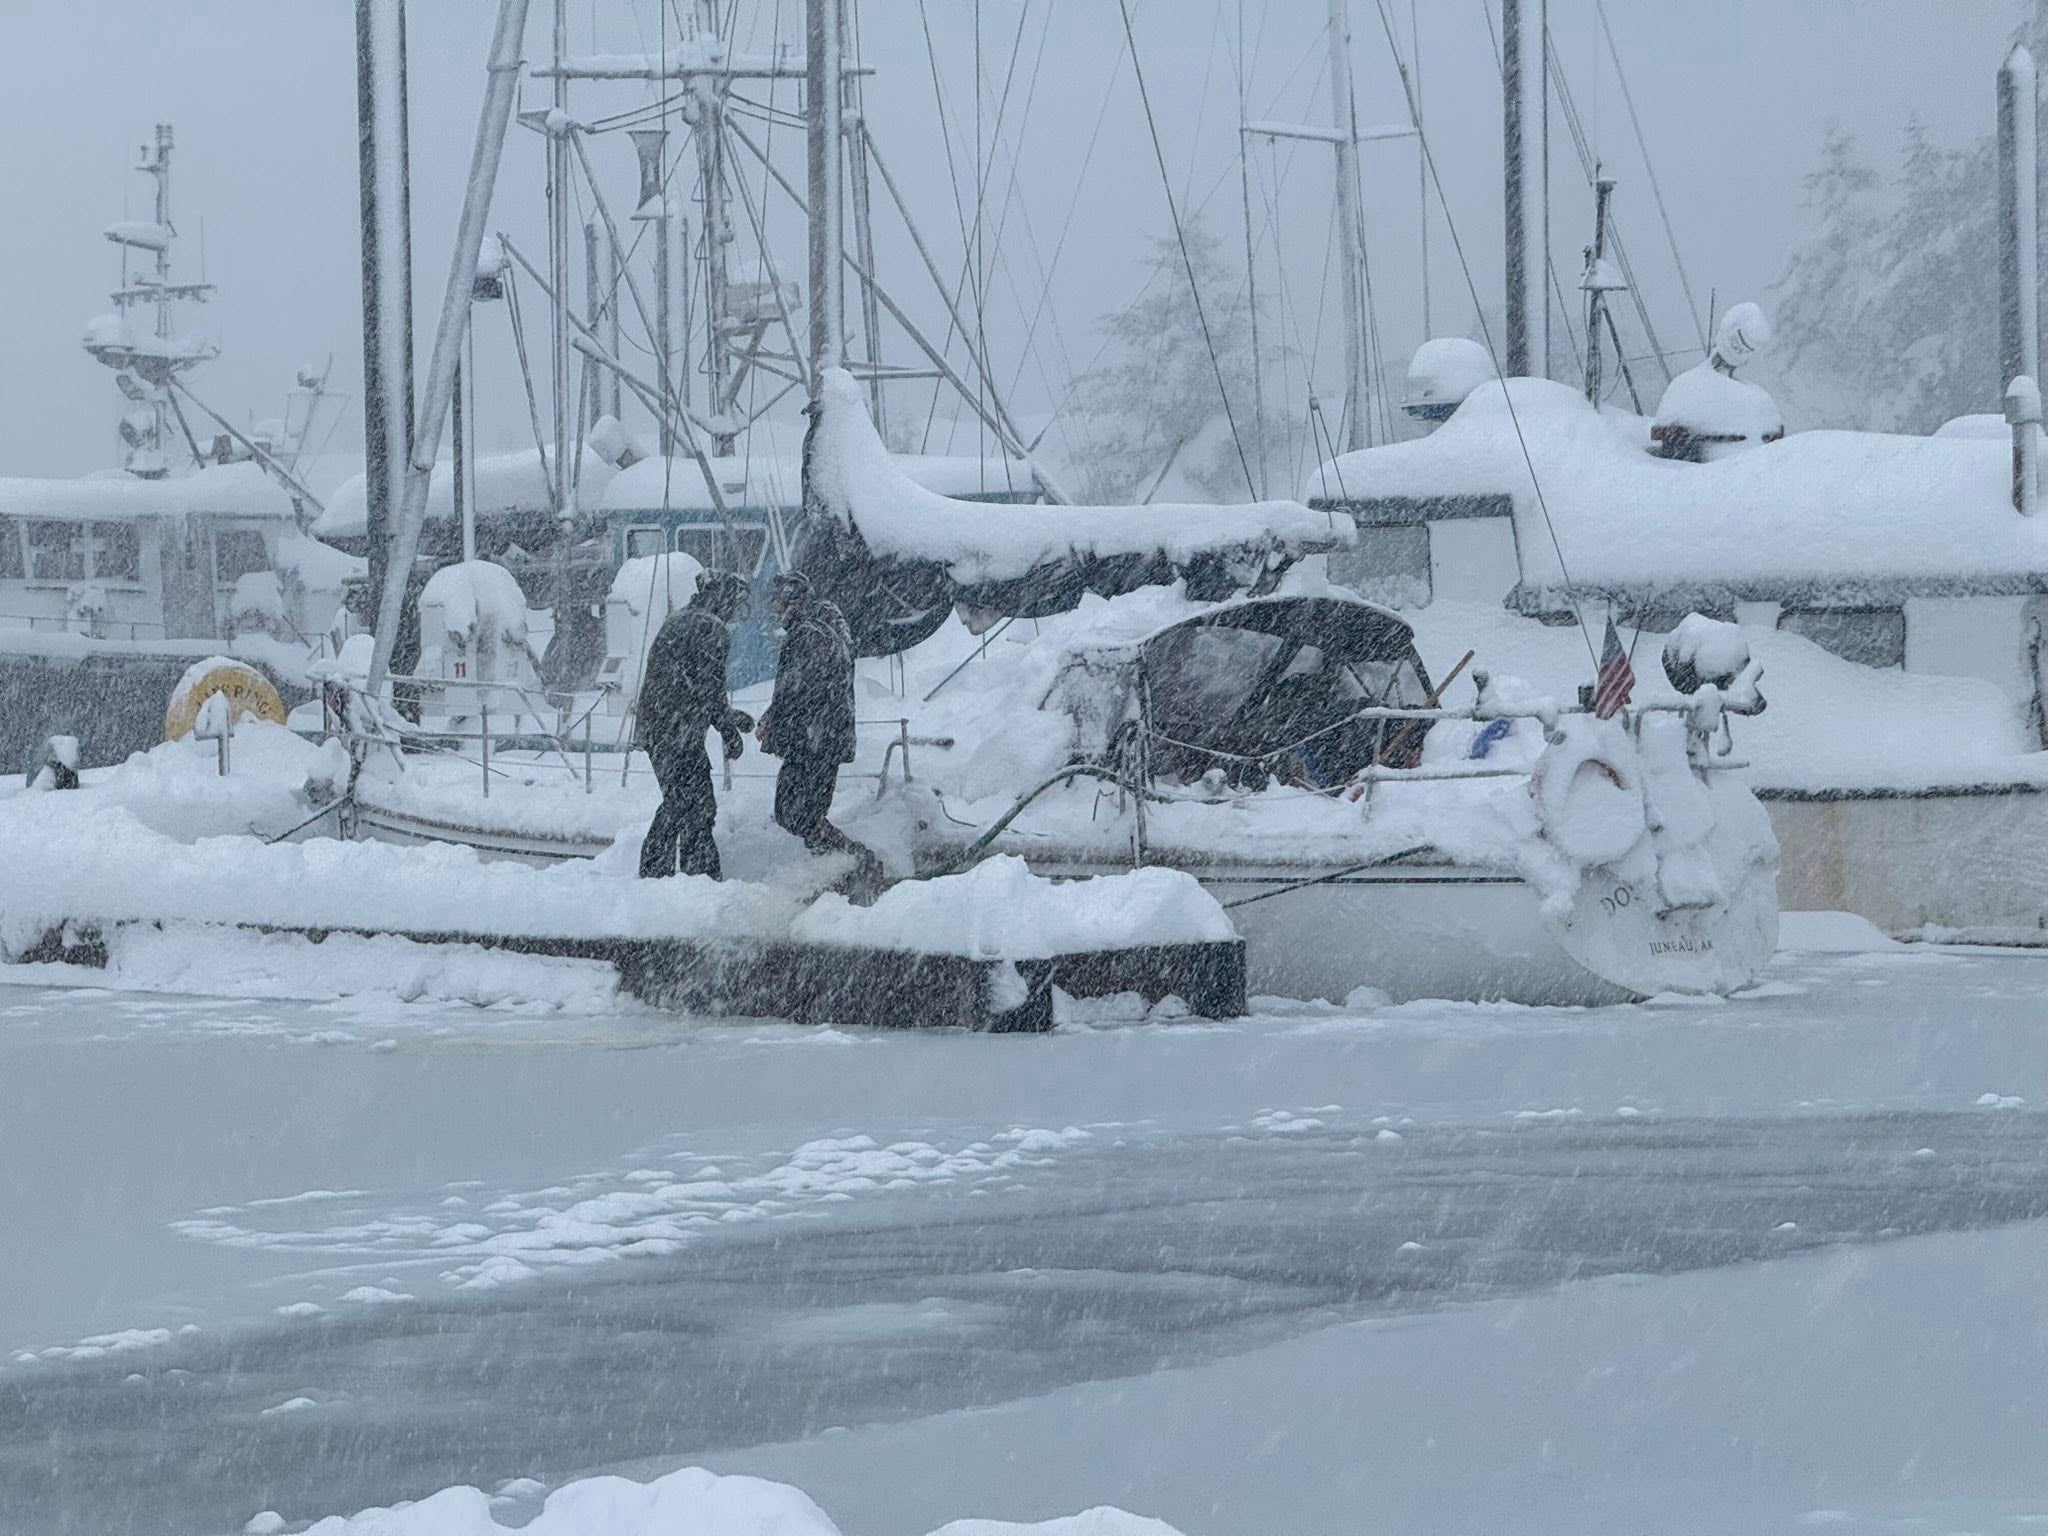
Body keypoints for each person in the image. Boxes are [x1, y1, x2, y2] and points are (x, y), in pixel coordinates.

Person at [758, 571, 883, 896]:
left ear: (791, 601)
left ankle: (858, 863)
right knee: (804, 815)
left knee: (793, 814)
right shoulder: (826, 629)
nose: (775, 609)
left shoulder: (807, 633)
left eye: (778, 601)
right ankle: (841, 871)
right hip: (824, 740)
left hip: (811, 742)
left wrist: (774, 724)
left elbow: (796, 690)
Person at [636, 571, 754, 879]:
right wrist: (729, 732)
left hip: (662, 727)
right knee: (689, 803)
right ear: (723, 599)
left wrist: (728, 717)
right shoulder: (710, 627)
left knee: (685, 801)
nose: (735, 614)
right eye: (735, 604)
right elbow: (709, 689)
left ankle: (671, 874)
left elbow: (689, 685)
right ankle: (688, 876)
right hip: (677, 732)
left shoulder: (681, 618)